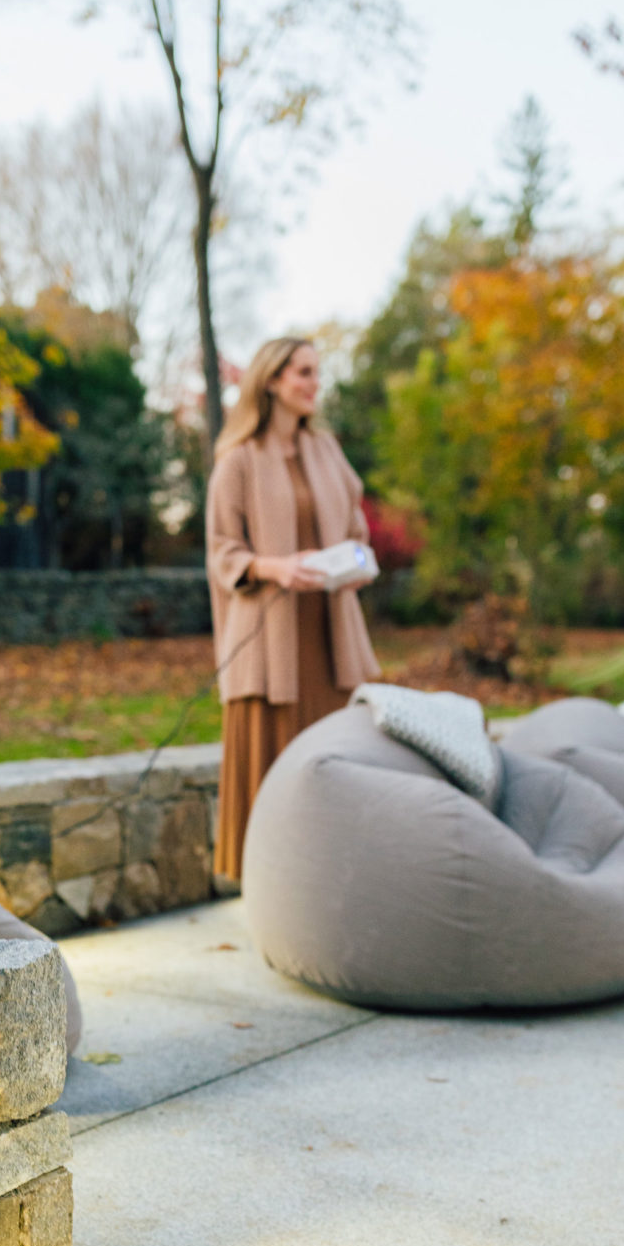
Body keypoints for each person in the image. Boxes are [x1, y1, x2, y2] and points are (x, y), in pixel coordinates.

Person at [205, 336, 380, 883]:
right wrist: (276, 567)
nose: (313, 383)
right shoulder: (237, 462)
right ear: (272, 380)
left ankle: (330, 888)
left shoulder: (327, 451)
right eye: (303, 372)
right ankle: (268, 891)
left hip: (331, 641)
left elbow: (357, 531)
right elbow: (222, 552)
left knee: (336, 770)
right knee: (269, 774)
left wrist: (357, 562)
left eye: (316, 372)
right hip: (268, 645)